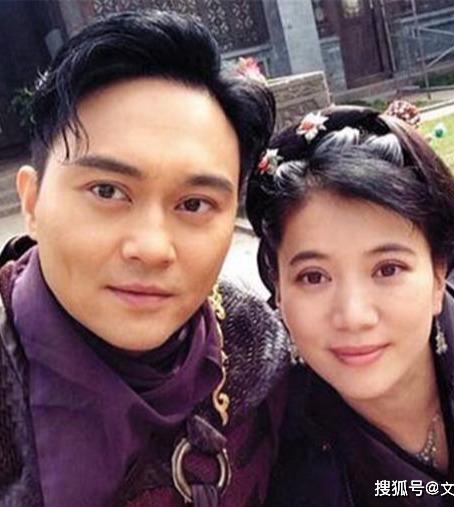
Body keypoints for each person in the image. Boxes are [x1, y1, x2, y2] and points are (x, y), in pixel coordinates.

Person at [0, 10, 290, 507]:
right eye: (108, 191)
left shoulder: (256, 349)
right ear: (32, 202)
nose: (153, 248)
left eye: (194, 204)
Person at [246, 106, 454, 506]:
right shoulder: (265, 460)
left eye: (388, 269)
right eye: (313, 277)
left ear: (438, 274)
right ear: (278, 291)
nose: (354, 316)